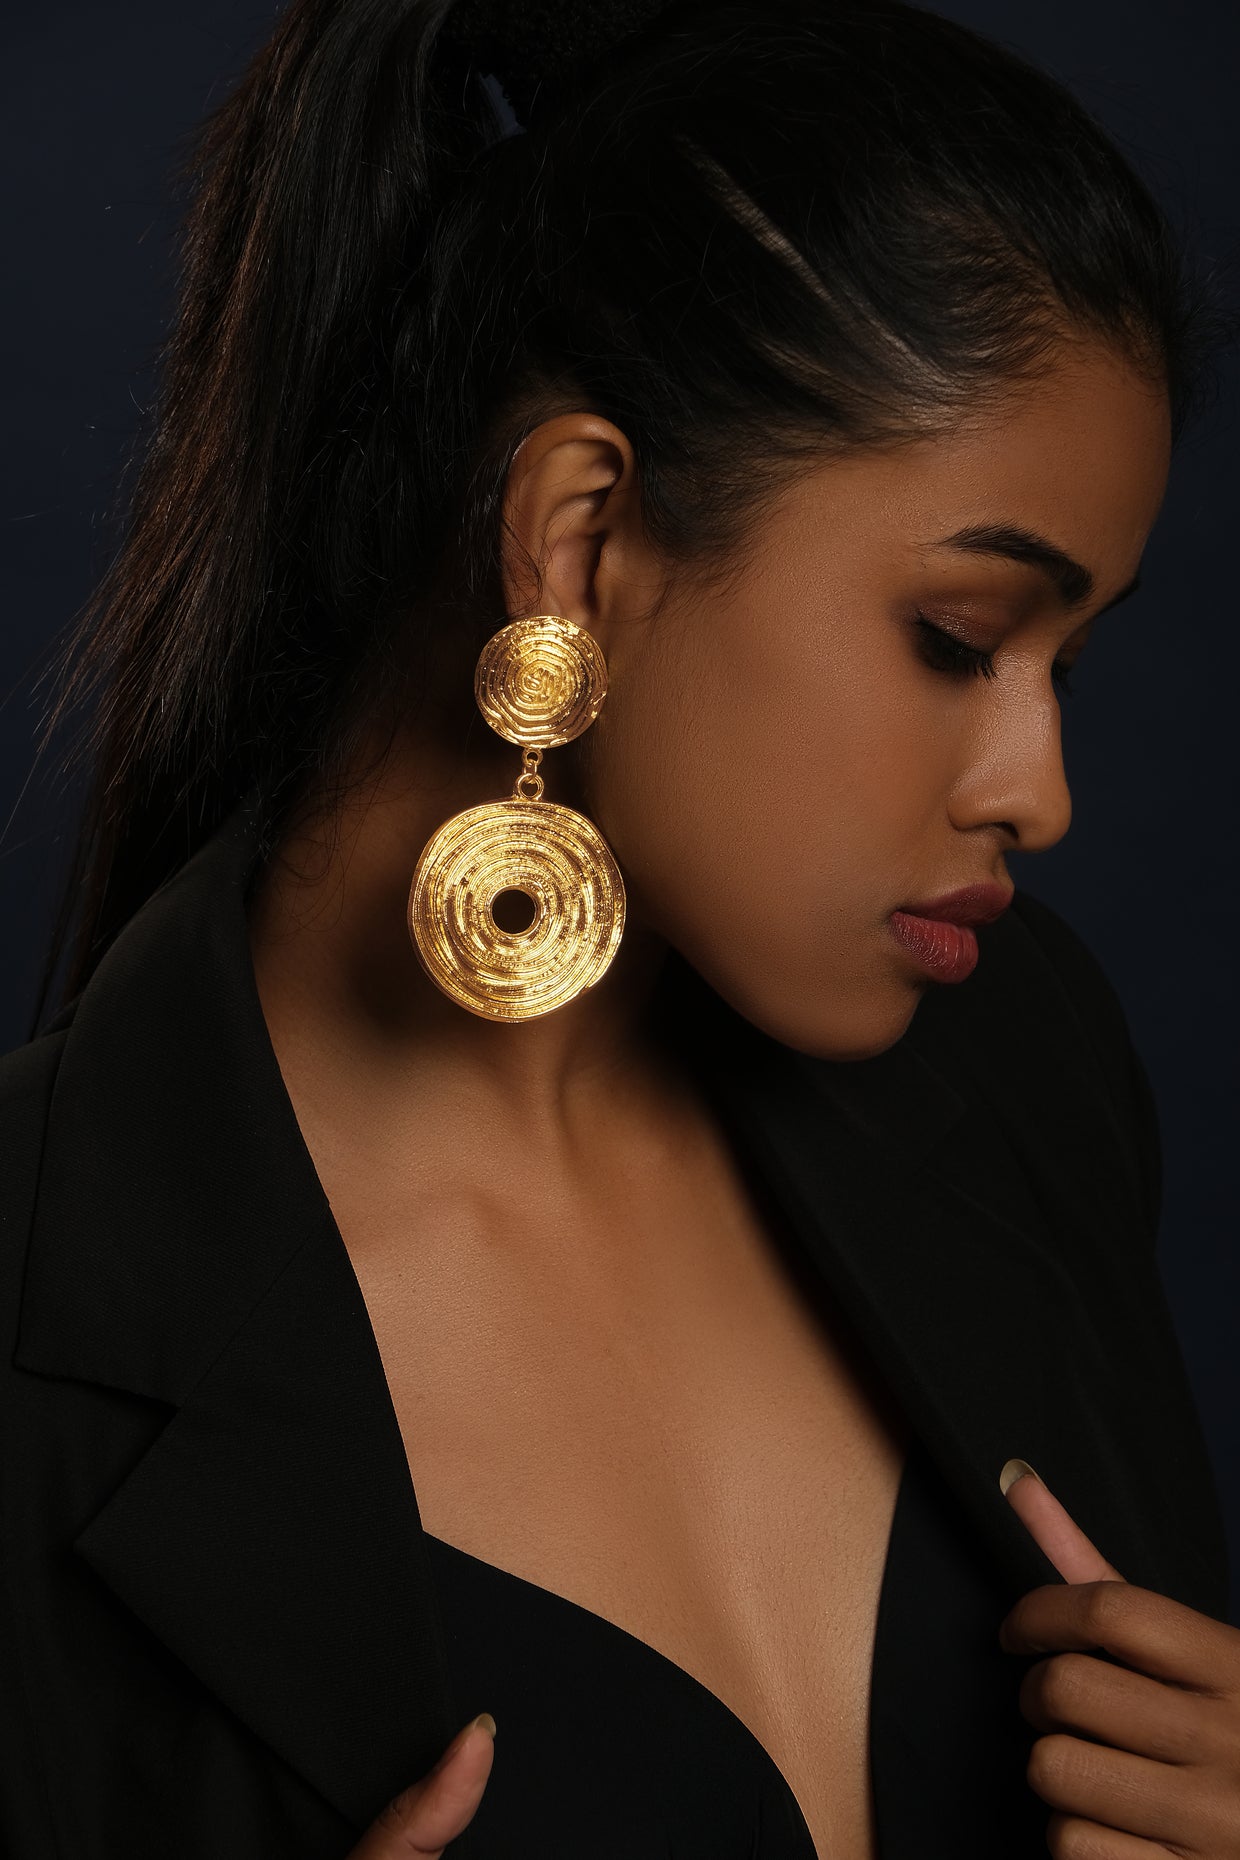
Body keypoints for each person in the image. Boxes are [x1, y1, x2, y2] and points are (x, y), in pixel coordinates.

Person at [2, 0, 1236, 1855]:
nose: (1037, 790)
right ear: (579, 542)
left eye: (1067, 663)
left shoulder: (1025, 1072)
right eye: (961, 639)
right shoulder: (37, 1325)